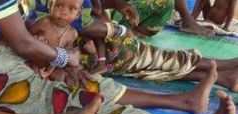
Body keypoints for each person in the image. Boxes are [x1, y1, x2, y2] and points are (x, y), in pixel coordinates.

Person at [0, 0, 235, 114]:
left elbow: (23, 38)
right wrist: (64, 57)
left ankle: (182, 102)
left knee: (86, 80)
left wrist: (57, 60)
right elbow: (22, 42)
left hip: (7, 57)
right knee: (79, 102)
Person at [24, 0, 238, 88]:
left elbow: (92, 11)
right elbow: (79, 25)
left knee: (143, 60)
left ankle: (218, 72)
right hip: (73, 54)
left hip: (86, 47)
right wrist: (115, 29)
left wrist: (117, 6)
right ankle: (217, 68)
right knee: (136, 53)